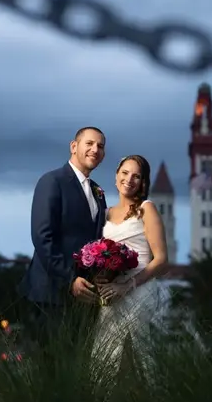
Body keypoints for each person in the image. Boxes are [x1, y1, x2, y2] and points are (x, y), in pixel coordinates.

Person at [19, 126, 107, 342]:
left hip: (84, 296)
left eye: (101, 146)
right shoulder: (52, 181)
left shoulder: (98, 191)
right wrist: (70, 280)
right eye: (89, 143)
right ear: (73, 146)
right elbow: (42, 237)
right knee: (51, 366)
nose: (95, 149)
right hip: (52, 292)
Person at [94, 155, 168, 366]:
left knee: (141, 358)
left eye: (136, 176)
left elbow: (161, 259)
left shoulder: (147, 208)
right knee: (104, 358)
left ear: (143, 182)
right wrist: (101, 278)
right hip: (110, 294)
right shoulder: (105, 213)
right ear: (116, 176)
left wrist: (127, 286)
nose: (129, 179)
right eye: (125, 173)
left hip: (138, 291)